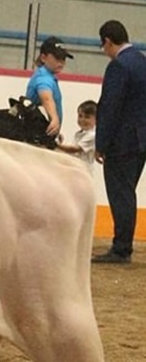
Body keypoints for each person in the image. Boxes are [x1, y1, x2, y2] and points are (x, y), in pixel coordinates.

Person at [92, 20, 146, 265]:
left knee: (121, 195)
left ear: (107, 41)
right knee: (128, 193)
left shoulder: (119, 66)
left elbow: (110, 108)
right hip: (141, 139)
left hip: (122, 142)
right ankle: (122, 244)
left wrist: (101, 143)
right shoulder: (141, 61)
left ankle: (121, 248)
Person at [25, 36, 73, 138]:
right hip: (35, 135)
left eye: (63, 58)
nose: (61, 62)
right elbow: (46, 98)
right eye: (57, 58)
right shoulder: (43, 78)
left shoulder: (48, 76)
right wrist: (54, 119)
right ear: (43, 57)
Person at [55, 100, 97, 175]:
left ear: (97, 120)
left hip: (83, 172)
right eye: (80, 116)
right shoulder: (79, 134)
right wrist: (61, 143)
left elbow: (74, 149)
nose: (82, 120)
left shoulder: (92, 135)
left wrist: (57, 145)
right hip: (75, 169)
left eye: (87, 117)